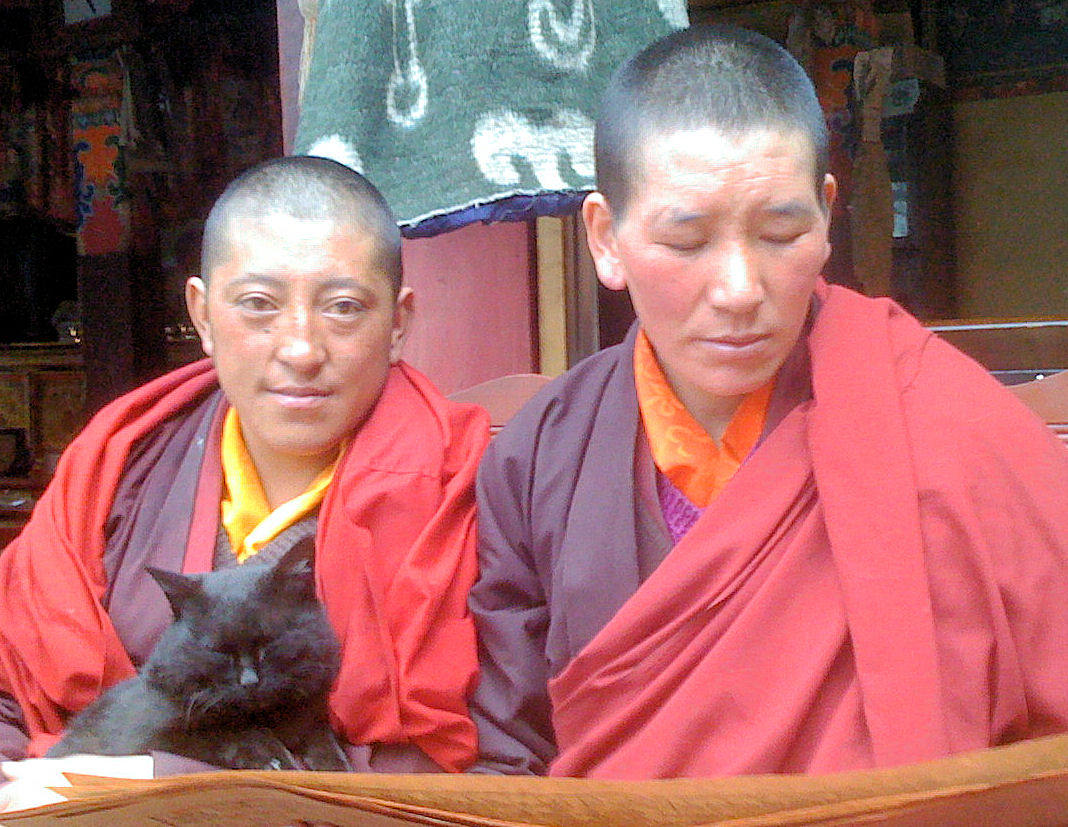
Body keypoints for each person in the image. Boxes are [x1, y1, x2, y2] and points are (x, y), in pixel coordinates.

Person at [468, 23, 1068, 779]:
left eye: (781, 231)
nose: (740, 291)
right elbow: (508, 752)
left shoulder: (949, 420)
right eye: (687, 242)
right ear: (605, 239)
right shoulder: (537, 458)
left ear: (825, 217)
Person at [0, 156, 490, 801]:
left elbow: (495, 746)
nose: (300, 348)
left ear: (397, 323)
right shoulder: (117, 465)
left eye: (343, 307)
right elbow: (12, 691)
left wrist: (155, 781)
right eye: (258, 305)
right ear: (203, 316)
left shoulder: (472, 485)